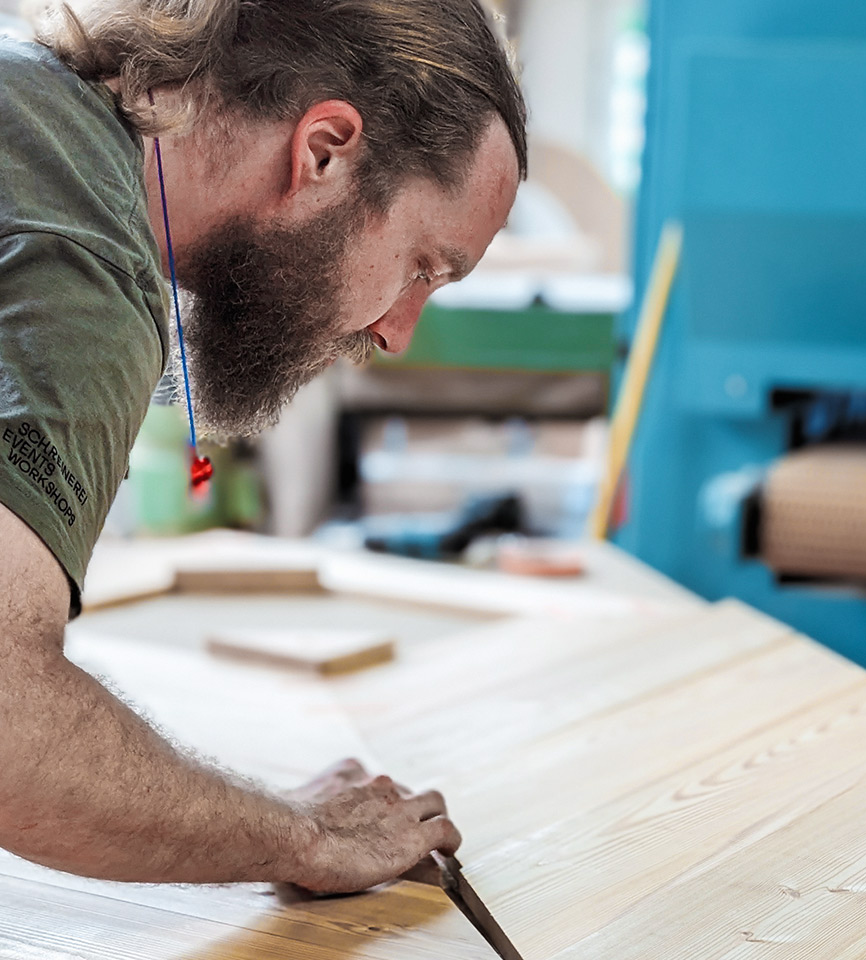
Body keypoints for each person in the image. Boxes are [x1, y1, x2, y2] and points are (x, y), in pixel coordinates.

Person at [0, 0, 525, 893]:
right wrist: (304, 840)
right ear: (323, 149)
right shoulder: (80, 258)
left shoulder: (30, 105)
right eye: (424, 267)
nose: (399, 331)